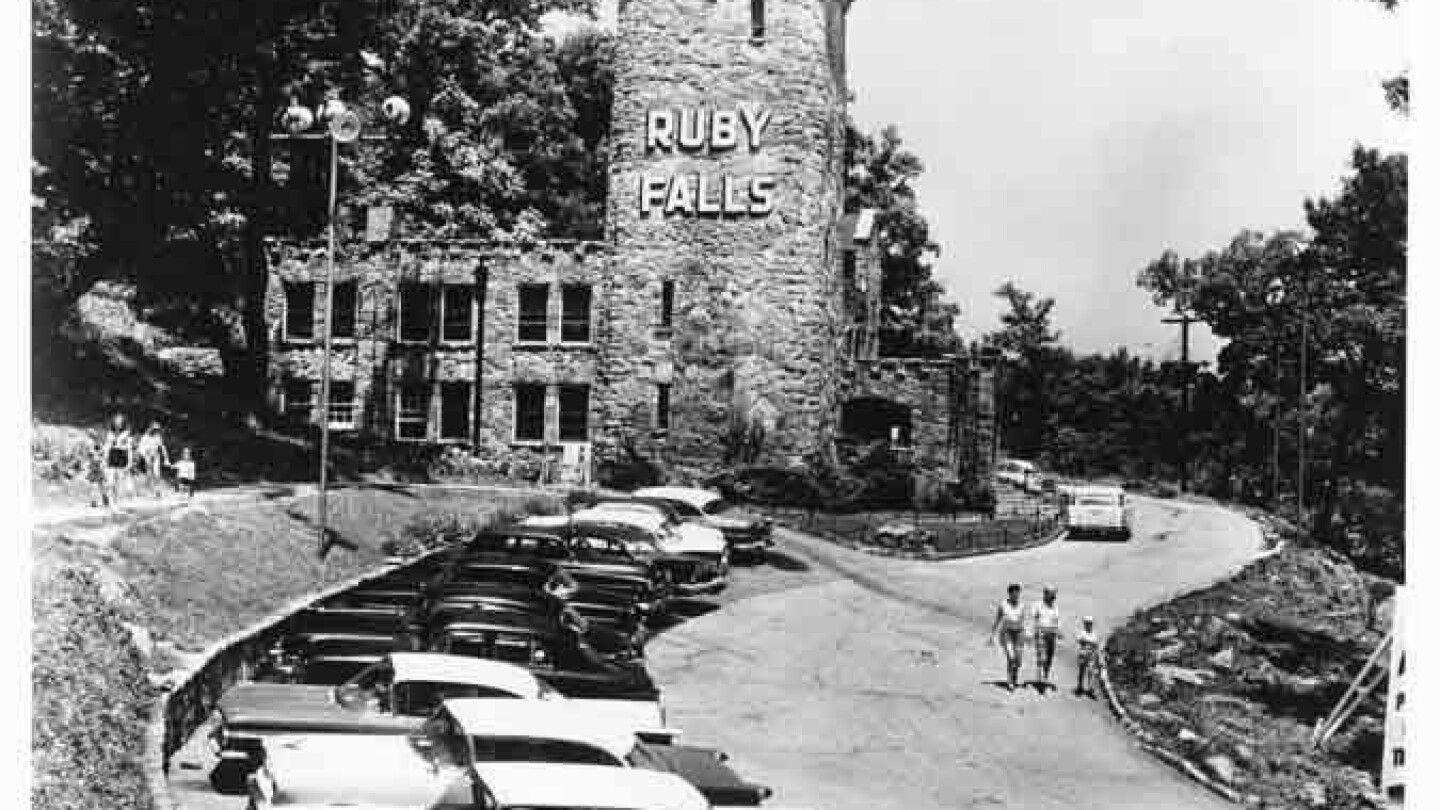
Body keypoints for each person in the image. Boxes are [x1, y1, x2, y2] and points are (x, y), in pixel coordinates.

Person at [988, 583, 1026, 691]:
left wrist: (1025, 634)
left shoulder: (1022, 605)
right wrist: (992, 635)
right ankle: (1010, 681)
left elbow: (1022, 621)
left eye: (1018, 593)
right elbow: (997, 619)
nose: (1016, 595)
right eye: (1014, 593)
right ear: (1009, 594)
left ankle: (1014, 677)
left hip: (1019, 634)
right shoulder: (1003, 605)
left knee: (1018, 660)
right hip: (1006, 634)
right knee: (1011, 657)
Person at [99, 413, 135, 509]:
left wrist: (130, 462)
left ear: (123, 423)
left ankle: (116, 502)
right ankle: (111, 503)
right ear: (113, 422)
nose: (118, 424)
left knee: (118, 482)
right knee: (110, 482)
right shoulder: (110, 433)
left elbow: (129, 449)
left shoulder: (127, 433)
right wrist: (103, 460)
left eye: (120, 422)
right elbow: (107, 447)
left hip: (122, 457)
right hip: (111, 456)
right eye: (116, 422)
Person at [1031, 586, 1062, 688]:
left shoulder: (1055, 608)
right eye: (1052, 594)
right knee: (1042, 657)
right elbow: (1034, 618)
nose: (1054, 596)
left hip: (1051, 634)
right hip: (1041, 633)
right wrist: (1034, 631)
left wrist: (1059, 632)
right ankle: (1040, 678)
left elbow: (1056, 622)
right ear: (1045, 594)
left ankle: (1045, 676)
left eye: (1054, 594)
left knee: (1049, 657)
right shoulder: (1038, 605)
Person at [136, 422, 171, 496]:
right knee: (149, 474)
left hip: (155, 456)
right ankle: (148, 489)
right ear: (151, 429)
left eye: (157, 430)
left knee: (157, 473)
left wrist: (166, 459)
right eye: (155, 429)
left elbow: (162, 447)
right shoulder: (145, 437)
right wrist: (145, 457)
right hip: (147, 456)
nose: (156, 431)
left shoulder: (158, 437)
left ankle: (157, 490)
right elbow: (140, 449)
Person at [1075, 616, 1099, 697]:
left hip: (1091, 654)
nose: (1089, 625)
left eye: (1090, 623)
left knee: (1091, 671)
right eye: (1087, 623)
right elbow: (1079, 640)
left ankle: (1090, 689)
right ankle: (1080, 686)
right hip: (1083, 653)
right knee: (1082, 671)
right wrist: (1088, 642)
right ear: (1085, 624)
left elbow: (1096, 644)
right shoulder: (1082, 632)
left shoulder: (1094, 633)